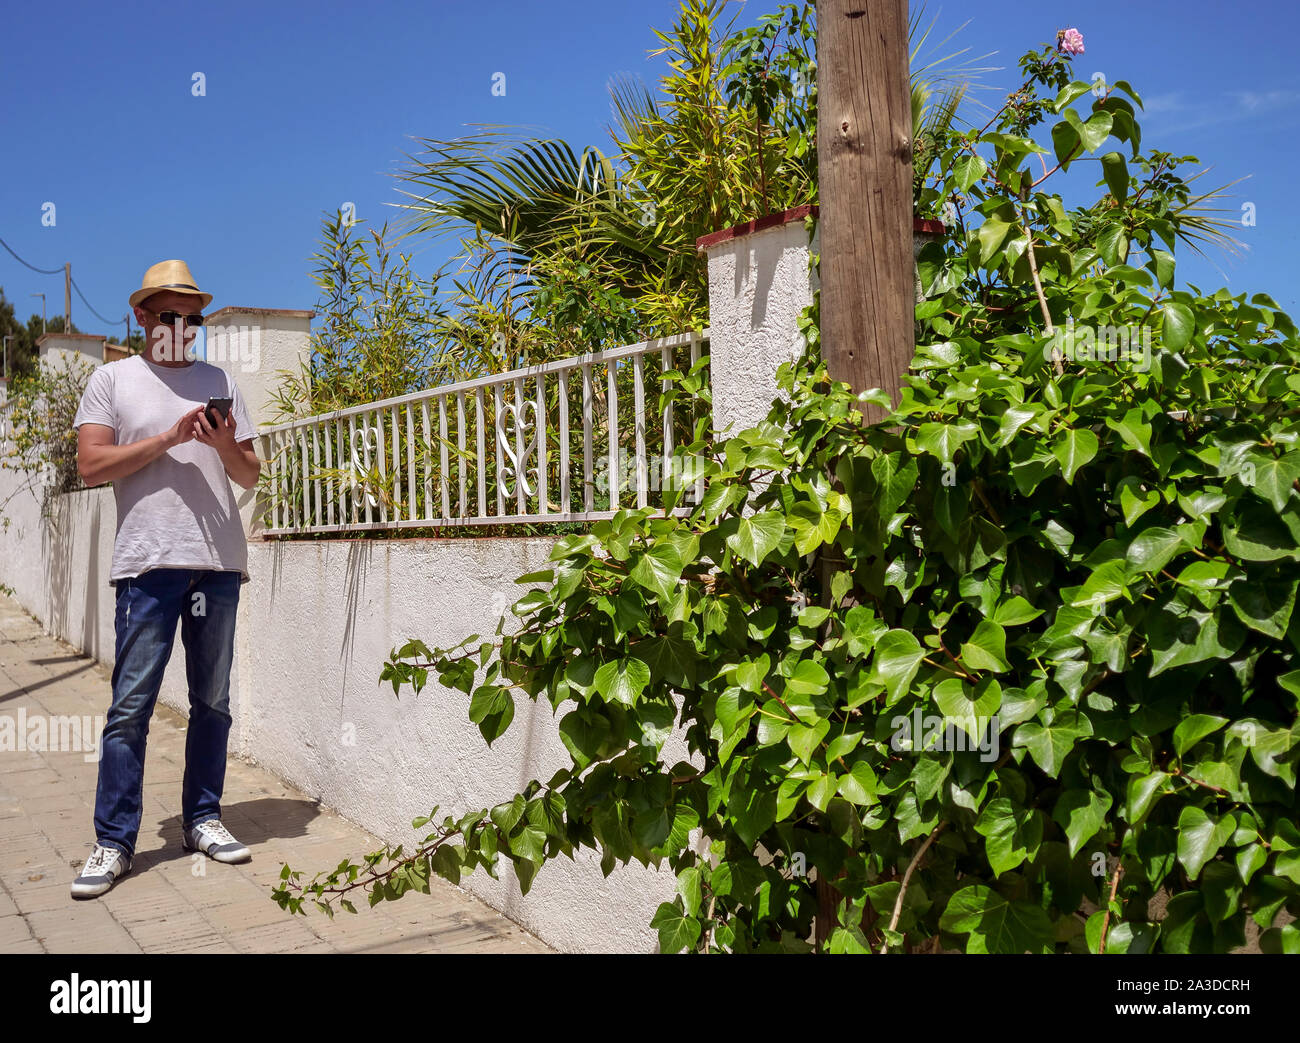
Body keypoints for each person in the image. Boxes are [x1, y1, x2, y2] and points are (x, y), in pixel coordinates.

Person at [69, 259, 262, 898]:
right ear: (142, 316)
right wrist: (167, 436)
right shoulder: (111, 379)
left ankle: (203, 819)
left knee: (213, 703)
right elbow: (92, 466)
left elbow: (249, 475)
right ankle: (113, 843)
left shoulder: (219, 380)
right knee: (131, 708)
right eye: (170, 315)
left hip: (217, 565)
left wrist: (223, 443)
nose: (183, 326)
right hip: (148, 565)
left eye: (193, 317)